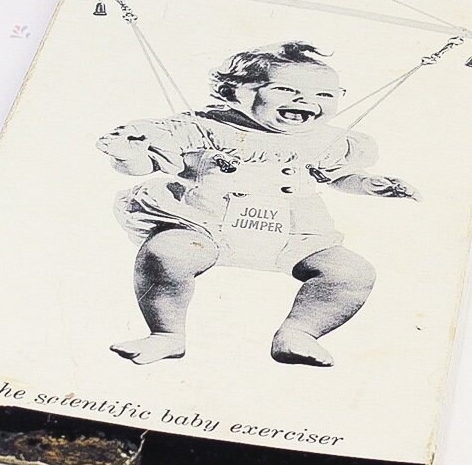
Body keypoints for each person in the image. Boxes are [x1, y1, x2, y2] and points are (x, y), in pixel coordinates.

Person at [98, 41, 418, 367]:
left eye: (324, 95)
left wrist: (368, 185)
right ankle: (166, 334)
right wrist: (128, 154)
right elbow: (147, 163)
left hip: (295, 234)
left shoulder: (325, 140)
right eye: (286, 90)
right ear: (235, 92)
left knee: (353, 273)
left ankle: (300, 333)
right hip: (204, 225)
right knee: (166, 254)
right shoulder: (202, 128)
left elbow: (337, 176)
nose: (306, 101)